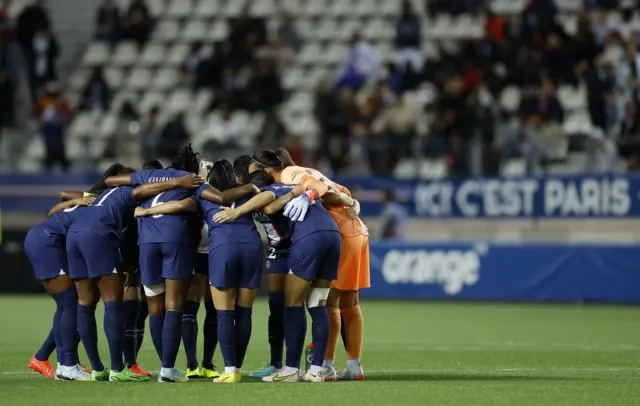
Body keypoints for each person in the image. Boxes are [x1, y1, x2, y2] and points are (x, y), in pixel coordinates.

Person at [104, 146, 256, 383]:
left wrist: (144, 209)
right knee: (175, 306)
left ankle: (173, 365)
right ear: (193, 171)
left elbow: (110, 180)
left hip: (147, 244)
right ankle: (168, 369)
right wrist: (251, 187)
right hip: (177, 241)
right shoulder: (193, 183)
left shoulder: (148, 177)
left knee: (155, 308)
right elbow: (218, 199)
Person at [212, 169, 352, 382]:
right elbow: (274, 206)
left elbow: (268, 199)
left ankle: (291, 370)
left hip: (308, 238)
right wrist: (350, 201)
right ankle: (316, 370)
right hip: (333, 236)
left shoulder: (275, 188)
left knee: (293, 303)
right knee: (317, 304)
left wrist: (236, 212)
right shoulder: (300, 189)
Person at [249, 149, 369, 381]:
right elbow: (339, 191)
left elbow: (319, 188)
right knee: (349, 301)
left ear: (266, 170)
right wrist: (351, 201)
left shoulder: (290, 174)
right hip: (355, 229)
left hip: (337, 231)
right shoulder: (307, 170)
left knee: (327, 303)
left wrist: (307, 196)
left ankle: (324, 366)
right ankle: (353, 365)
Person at [26, 194, 96, 381]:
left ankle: (53, 361)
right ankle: (68, 365)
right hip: (47, 241)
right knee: (72, 304)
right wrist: (75, 201)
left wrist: (73, 201)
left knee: (66, 305)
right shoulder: (103, 201)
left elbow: (53, 209)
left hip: (46, 239)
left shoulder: (94, 198)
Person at [181, 160, 220, 380]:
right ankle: (193, 364)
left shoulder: (219, 192)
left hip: (214, 252)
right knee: (192, 307)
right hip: (196, 252)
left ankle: (205, 363)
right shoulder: (191, 192)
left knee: (212, 308)